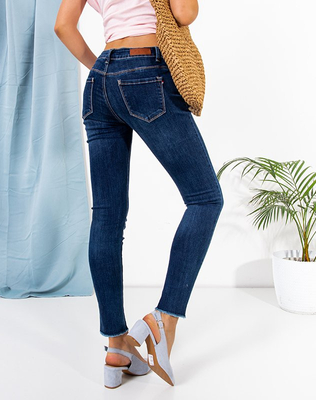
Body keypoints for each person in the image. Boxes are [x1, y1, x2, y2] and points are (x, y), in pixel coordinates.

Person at [54, 0, 224, 388]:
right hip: (146, 71)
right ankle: (164, 319)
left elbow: (63, 25)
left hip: (99, 83)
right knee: (205, 198)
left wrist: (102, 66)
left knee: (107, 216)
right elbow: (185, 13)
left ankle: (117, 346)